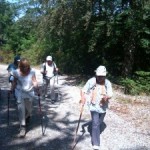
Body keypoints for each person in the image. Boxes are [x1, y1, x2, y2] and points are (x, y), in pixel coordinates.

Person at [81, 65, 113, 150]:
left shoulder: (107, 83)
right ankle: (96, 143)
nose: (100, 77)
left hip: (103, 107)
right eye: (98, 76)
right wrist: (83, 97)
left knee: (99, 122)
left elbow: (110, 93)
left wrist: (107, 97)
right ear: (96, 74)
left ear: (105, 75)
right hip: (93, 106)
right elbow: (83, 90)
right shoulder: (91, 81)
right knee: (95, 124)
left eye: (102, 76)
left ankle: (95, 130)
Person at [11, 58, 39, 137]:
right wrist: (11, 89)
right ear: (20, 66)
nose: (25, 68)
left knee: (29, 109)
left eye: (26, 66)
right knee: (21, 109)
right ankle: (22, 127)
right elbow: (14, 82)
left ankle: (28, 116)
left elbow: (34, 81)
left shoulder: (32, 71)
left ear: (28, 66)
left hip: (29, 92)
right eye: (23, 67)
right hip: (19, 92)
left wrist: (37, 88)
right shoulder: (16, 72)